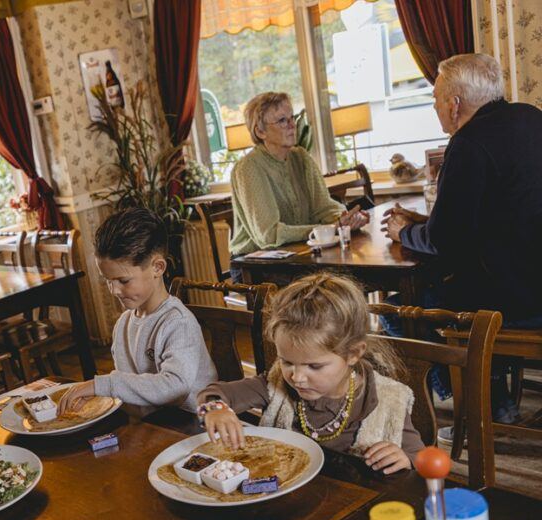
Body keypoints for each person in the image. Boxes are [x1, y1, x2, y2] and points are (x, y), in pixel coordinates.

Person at [382, 53, 542, 435]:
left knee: (396, 308)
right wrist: (423, 221)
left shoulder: (468, 143)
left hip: (514, 299)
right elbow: (500, 210)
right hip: (534, 279)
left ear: (455, 104)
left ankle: (474, 407)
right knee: (467, 286)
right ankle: (497, 402)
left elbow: (447, 242)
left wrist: (403, 233)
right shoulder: (530, 117)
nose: (435, 106)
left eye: (436, 98)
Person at [196, 273, 424, 473]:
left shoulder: (388, 399)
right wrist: (215, 409)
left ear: (353, 354)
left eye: (314, 366)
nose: (297, 377)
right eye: (286, 362)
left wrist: (405, 458)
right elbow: (215, 394)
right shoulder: (275, 385)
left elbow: (420, 457)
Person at [58, 208, 216, 414]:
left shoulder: (179, 323)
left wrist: (102, 385)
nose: (114, 290)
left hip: (193, 425)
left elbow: (175, 386)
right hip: (152, 424)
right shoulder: (123, 324)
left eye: (123, 281)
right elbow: (132, 388)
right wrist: (98, 395)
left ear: (158, 268)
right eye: (108, 280)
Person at [228, 91, 368, 273]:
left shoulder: (301, 157)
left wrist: (344, 219)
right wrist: (326, 229)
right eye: (282, 121)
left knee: (349, 273)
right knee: (332, 285)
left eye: (292, 117)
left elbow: (323, 207)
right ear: (260, 131)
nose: (292, 125)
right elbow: (269, 235)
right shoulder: (248, 168)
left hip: (299, 253)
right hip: (254, 263)